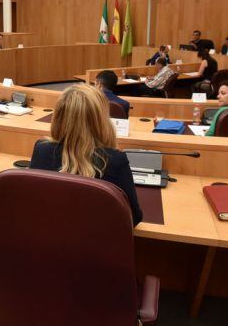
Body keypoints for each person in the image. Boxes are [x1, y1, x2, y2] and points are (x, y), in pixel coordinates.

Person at [29, 84, 143, 226]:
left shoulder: (41, 149)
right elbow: (134, 218)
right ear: (101, 121)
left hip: (48, 239)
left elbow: (34, 203)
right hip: (97, 244)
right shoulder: (115, 160)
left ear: (58, 117)